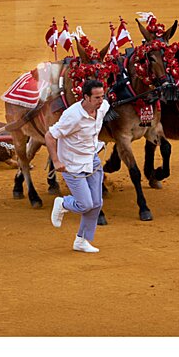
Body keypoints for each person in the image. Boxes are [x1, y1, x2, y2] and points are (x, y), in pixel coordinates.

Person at [45, 79, 110, 253]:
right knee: (85, 204)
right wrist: (56, 161)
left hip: (92, 160)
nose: (100, 101)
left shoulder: (103, 107)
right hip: (72, 165)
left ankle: (82, 240)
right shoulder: (72, 116)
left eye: (102, 96)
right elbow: (50, 136)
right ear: (86, 97)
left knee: (97, 203)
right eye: (96, 97)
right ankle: (63, 203)